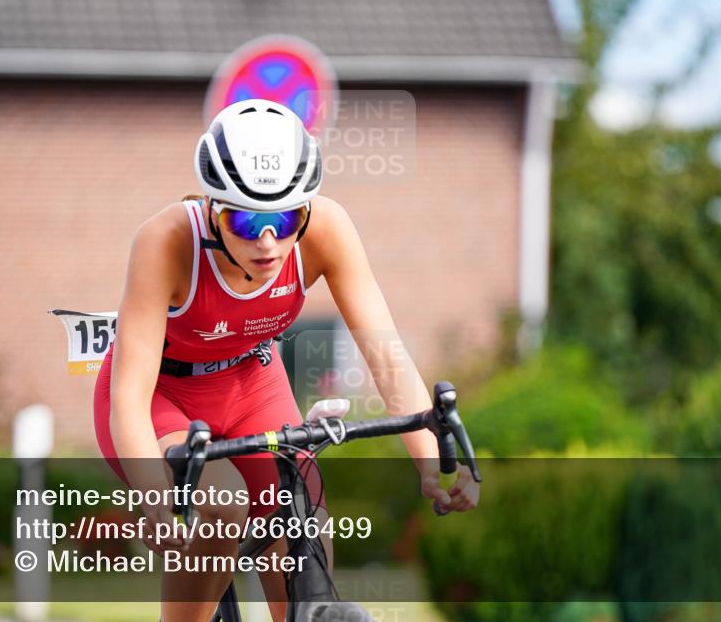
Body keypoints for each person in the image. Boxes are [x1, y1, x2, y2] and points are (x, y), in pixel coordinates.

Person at [93, 99, 479, 622]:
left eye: (286, 217)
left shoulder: (327, 229)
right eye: (246, 220)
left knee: (300, 508)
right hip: (161, 394)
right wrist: (157, 500)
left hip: (251, 379)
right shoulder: (165, 241)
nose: (269, 242)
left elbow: (386, 357)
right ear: (212, 209)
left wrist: (431, 463)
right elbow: (129, 398)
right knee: (222, 504)